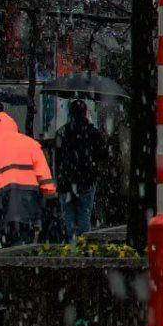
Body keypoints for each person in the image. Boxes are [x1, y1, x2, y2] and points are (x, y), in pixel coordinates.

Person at [0, 112, 57, 246]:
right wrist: (49, 195)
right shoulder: (30, 144)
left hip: (0, 200)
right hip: (27, 198)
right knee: (25, 236)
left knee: (7, 238)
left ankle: (10, 256)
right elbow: (44, 174)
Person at [53, 101, 112, 240]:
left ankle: (71, 245)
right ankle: (84, 245)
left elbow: (57, 159)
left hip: (66, 181)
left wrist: (59, 179)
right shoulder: (93, 133)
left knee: (69, 217)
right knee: (84, 216)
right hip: (87, 180)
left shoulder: (62, 132)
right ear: (85, 113)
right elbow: (103, 155)